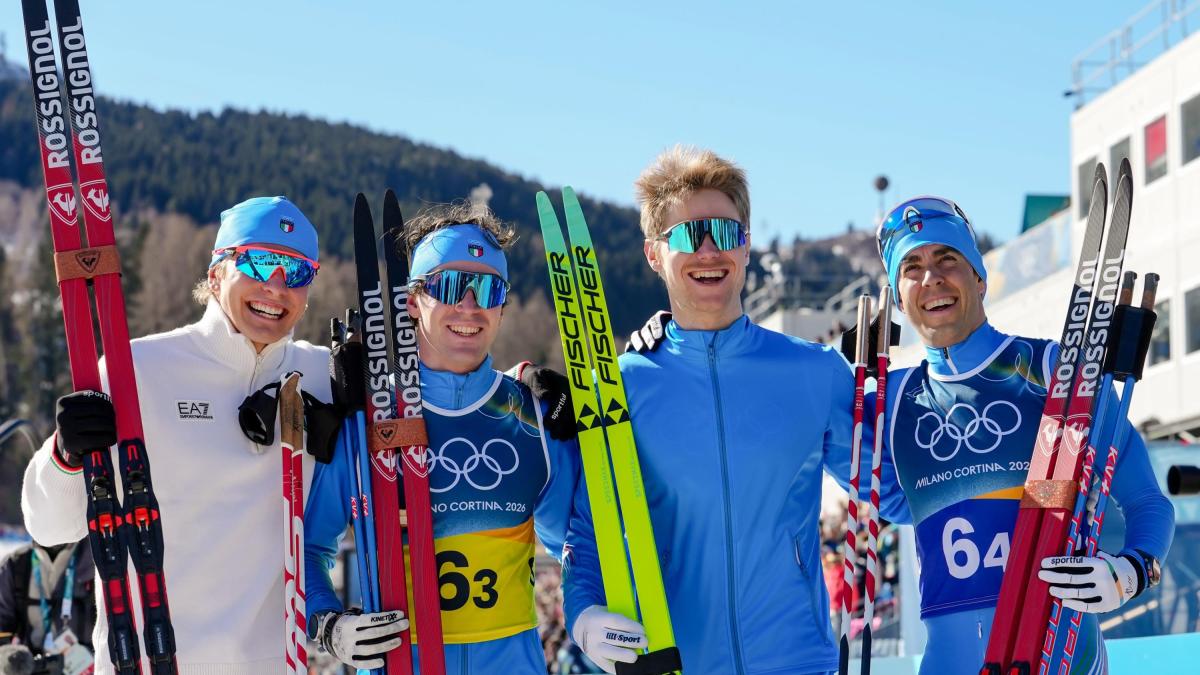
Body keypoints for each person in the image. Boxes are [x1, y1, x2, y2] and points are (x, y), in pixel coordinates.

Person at [561, 145, 887, 674]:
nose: (710, 251)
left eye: (727, 232)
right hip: (676, 663)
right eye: (689, 235)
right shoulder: (620, 386)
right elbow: (589, 533)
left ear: (748, 245)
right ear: (653, 254)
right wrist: (583, 617)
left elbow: (891, 488)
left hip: (798, 663)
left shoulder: (815, 372)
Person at [21, 196, 334, 674]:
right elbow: (48, 527)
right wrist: (65, 454)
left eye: (296, 272)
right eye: (260, 262)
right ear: (215, 275)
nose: (276, 286)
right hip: (149, 659)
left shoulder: (322, 376)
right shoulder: (138, 371)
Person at [865, 196, 1175, 673]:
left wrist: (1131, 571)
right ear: (899, 297)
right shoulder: (890, 405)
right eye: (911, 267)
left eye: (948, 258)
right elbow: (892, 502)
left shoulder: (1055, 372)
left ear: (980, 278)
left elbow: (1146, 501)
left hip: (1060, 653)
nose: (932, 278)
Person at [304, 203, 581, 674]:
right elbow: (309, 549)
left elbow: (577, 543)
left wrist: (592, 614)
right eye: (451, 286)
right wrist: (327, 625)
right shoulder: (362, 423)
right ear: (412, 301)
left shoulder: (535, 419)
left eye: (489, 289)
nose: (470, 307)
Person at [0, 539, 95, 667]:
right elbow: (2, 622)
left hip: (87, 667)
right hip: (32, 668)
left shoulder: (97, 560)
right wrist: (8, 660)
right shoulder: (15, 564)